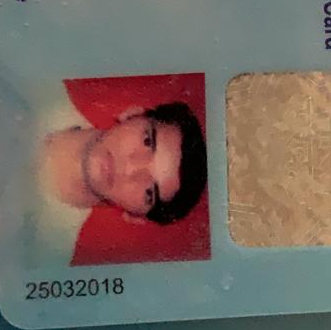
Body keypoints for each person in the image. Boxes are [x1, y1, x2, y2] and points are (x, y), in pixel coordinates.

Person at [37, 79, 208, 265]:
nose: (131, 168)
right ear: (132, 114)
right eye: (147, 142)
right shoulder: (39, 89)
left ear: (135, 216)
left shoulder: (46, 253)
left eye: (149, 192)